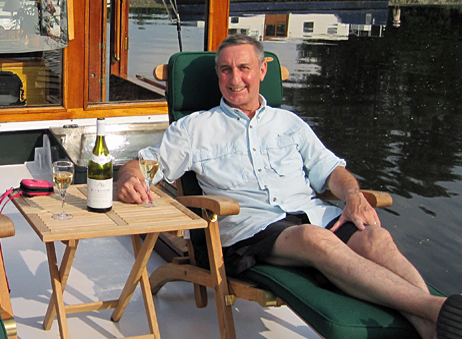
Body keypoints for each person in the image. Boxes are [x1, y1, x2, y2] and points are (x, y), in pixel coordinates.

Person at [117, 34, 462, 339]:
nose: (234, 78)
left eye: (244, 68)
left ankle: (433, 323)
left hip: (312, 216)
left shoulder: (290, 124)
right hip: (250, 233)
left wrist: (354, 195)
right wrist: (130, 179)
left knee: (376, 236)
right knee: (315, 239)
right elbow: (144, 166)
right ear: (217, 75)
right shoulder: (195, 129)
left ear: (262, 70)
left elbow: (330, 171)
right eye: (225, 70)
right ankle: (437, 309)